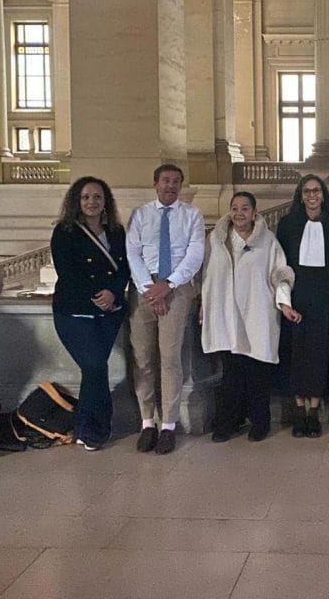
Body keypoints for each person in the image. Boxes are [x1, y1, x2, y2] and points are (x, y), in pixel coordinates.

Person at [202, 191, 297, 442]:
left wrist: (285, 304)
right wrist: (204, 306)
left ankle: (260, 423)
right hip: (226, 315)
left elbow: (280, 274)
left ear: (254, 213)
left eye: (245, 208)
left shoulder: (268, 241)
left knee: (257, 373)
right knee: (231, 374)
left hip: (257, 314)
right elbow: (207, 277)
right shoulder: (216, 240)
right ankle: (228, 423)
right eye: (235, 208)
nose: (239, 213)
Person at [126, 164, 205, 455]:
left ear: (181, 185)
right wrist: (150, 288)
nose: (170, 186)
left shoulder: (192, 215)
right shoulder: (141, 214)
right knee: (143, 358)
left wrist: (168, 285)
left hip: (177, 289)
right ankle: (148, 422)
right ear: (155, 183)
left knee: (170, 359)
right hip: (143, 291)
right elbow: (132, 253)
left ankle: (168, 425)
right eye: (165, 181)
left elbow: (195, 254)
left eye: (175, 181)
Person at [50, 176, 131, 451]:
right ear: (77, 201)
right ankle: (97, 429)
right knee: (96, 365)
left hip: (110, 313)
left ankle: (85, 428)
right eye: (85, 197)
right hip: (75, 312)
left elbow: (125, 267)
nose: (91, 202)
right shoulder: (65, 232)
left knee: (92, 369)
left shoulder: (117, 232)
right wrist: (99, 295)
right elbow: (68, 272)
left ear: (106, 201)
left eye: (97, 197)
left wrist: (113, 293)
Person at [276, 175, 329, 438]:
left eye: (316, 191)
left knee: (319, 354)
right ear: (300, 195)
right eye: (306, 191)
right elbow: (280, 266)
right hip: (296, 298)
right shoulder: (287, 225)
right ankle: (299, 410)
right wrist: (284, 301)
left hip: (324, 298)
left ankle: (314, 411)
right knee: (296, 353)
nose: (312, 196)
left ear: (323, 194)